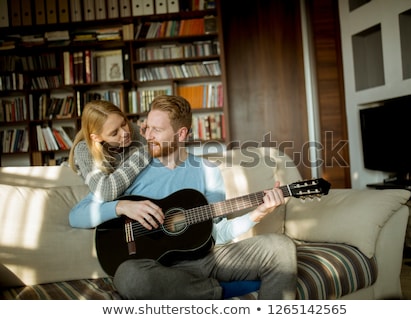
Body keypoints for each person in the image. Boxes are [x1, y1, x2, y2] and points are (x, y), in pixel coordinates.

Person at [69, 95, 297, 299]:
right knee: (129, 276)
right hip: (156, 267)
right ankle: (220, 291)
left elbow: (219, 232)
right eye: (146, 127)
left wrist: (257, 214)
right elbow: (77, 216)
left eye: (156, 131)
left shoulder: (208, 171)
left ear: (181, 134)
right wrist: (121, 207)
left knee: (281, 247)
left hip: (207, 259)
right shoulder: (132, 168)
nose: (146, 136)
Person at [68, 100, 150, 202]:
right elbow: (105, 191)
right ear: (97, 138)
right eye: (114, 133)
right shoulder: (83, 150)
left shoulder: (133, 130)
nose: (125, 133)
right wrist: (148, 150)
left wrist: (157, 131)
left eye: (124, 123)